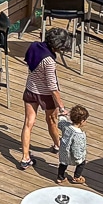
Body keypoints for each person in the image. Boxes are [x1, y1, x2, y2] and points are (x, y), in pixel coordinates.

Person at [19, 27, 70, 170]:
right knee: (52, 121)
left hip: (30, 89)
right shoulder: (49, 61)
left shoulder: (34, 46)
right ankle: (58, 145)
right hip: (46, 95)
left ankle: (25, 158)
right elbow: (53, 87)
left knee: (28, 123)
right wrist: (61, 107)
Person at [56, 105, 90, 185]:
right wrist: (79, 157)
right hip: (72, 154)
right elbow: (76, 148)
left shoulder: (66, 126)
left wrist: (62, 116)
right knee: (82, 163)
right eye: (85, 120)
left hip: (63, 151)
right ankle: (77, 177)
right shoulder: (78, 135)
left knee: (63, 163)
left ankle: (60, 178)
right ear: (82, 121)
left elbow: (61, 123)